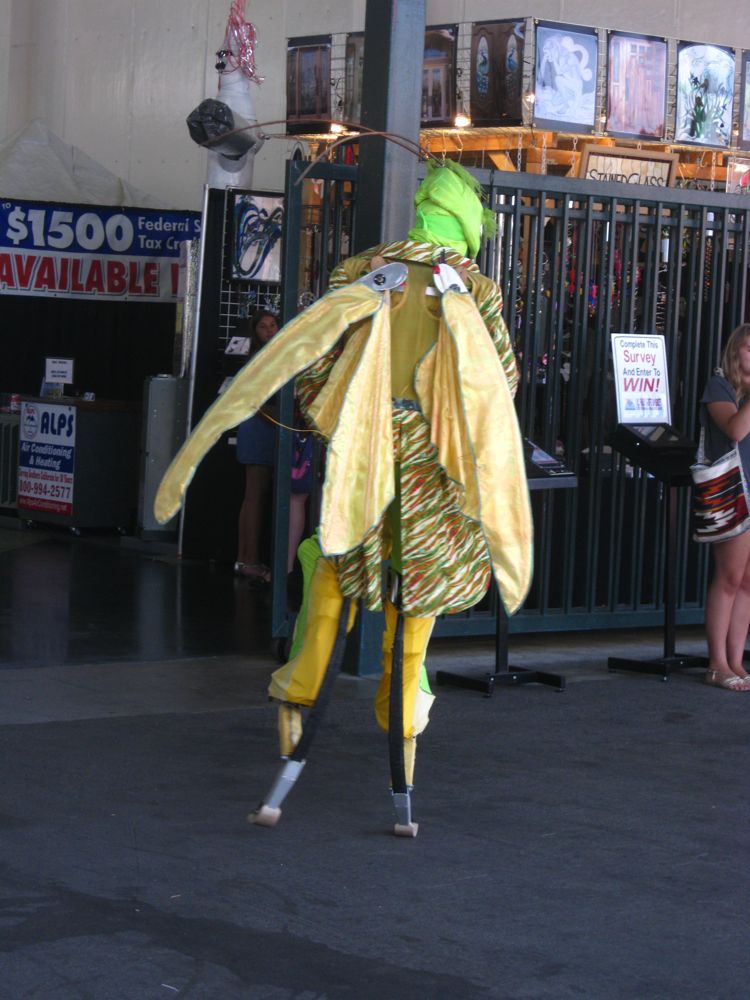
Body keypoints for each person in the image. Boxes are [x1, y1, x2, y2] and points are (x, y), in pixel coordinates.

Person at [154, 160, 533, 831]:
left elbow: (313, 371)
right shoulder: (473, 288)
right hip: (434, 481)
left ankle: (297, 697)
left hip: (363, 457)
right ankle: (404, 725)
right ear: (468, 220)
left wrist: (352, 420)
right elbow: (498, 384)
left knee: (336, 569)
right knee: (415, 606)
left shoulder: (362, 270)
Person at [234, 310, 310, 584]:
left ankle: (246, 559)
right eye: (263, 327)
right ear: (254, 332)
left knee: (256, 498)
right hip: (260, 430)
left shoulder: (278, 357)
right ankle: (248, 560)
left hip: (271, 429)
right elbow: (253, 402)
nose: (269, 330)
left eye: (273, 325)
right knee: (255, 497)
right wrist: (285, 417)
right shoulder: (259, 359)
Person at [700, 322, 750, 691]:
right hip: (733, 492)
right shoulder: (720, 386)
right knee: (729, 578)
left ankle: (736, 659)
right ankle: (717, 662)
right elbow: (734, 430)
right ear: (736, 351)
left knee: (748, 582)